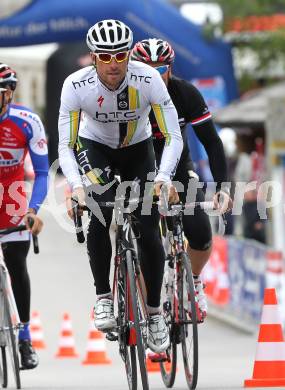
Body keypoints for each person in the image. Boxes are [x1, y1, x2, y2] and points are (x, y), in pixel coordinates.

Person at [58, 19, 183, 353]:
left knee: (148, 224)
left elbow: (172, 136)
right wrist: (76, 185)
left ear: (129, 55)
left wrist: (163, 177)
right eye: (105, 56)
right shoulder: (75, 85)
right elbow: (66, 145)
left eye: (119, 56)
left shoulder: (149, 78)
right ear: (93, 56)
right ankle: (103, 296)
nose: (113, 64)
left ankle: (155, 314)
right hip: (95, 149)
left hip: (138, 152)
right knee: (99, 213)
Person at [131, 38, 232, 319]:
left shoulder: (185, 93)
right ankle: (149, 316)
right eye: (145, 68)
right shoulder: (124, 96)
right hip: (140, 171)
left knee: (200, 233)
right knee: (146, 244)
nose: (153, 74)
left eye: (160, 67)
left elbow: (212, 142)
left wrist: (222, 188)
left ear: (170, 69)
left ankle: (194, 281)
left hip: (178, 169)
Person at [0, 63, 49, 368]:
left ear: (9, 94)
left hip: (14, 194)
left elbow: (42, 172)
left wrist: (33, 211)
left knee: (17, 262)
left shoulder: (27, 121)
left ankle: (25, 338)